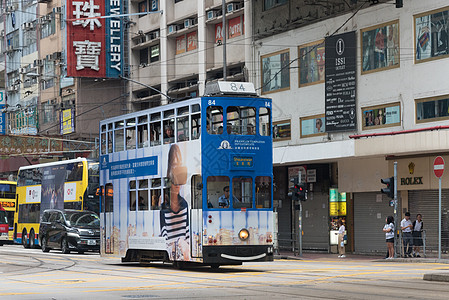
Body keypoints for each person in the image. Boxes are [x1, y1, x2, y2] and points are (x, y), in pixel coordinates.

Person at [160, 144, 189, 260]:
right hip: (172, 250)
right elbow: (164, 235)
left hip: (184, 251)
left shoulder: (185, 204)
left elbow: (187, 234)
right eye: (175, 165)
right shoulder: (163, 205)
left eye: (180, 165)